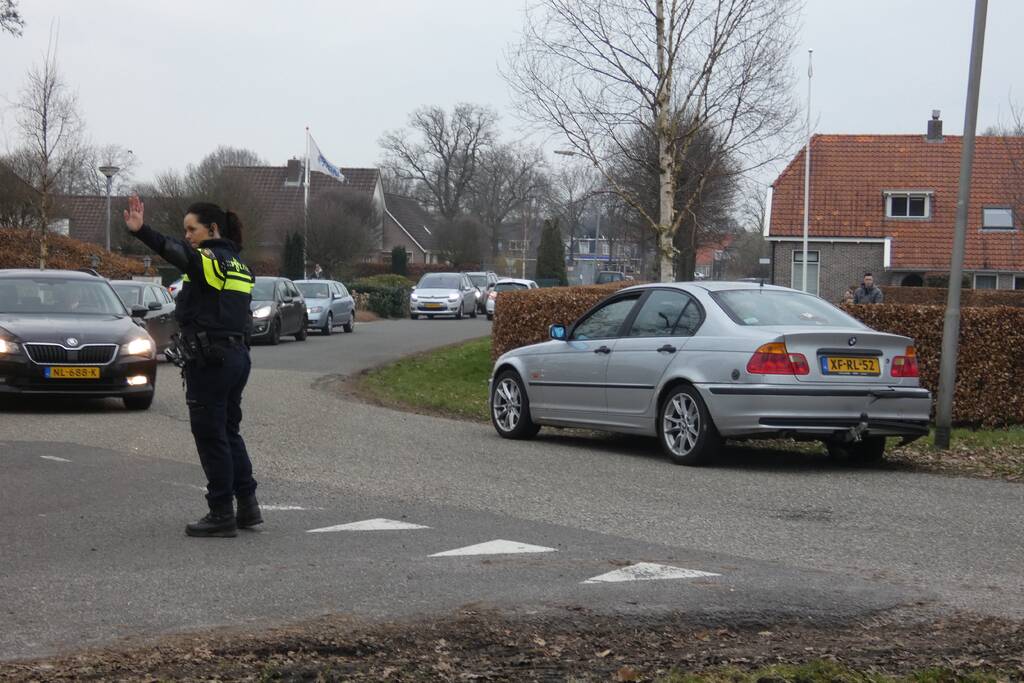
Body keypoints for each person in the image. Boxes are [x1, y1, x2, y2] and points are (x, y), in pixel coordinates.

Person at [124, 195, 261, 538]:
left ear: (212, 229)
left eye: (192, 229)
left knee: (211, 436)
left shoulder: (209, 259)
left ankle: (220, 514)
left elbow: (176, 252)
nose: (187, 235)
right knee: (229, 432)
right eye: (185, 229)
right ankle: (247, 506)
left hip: (211, 360)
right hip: (236, 357)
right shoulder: (240, 265)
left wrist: (143, 232)